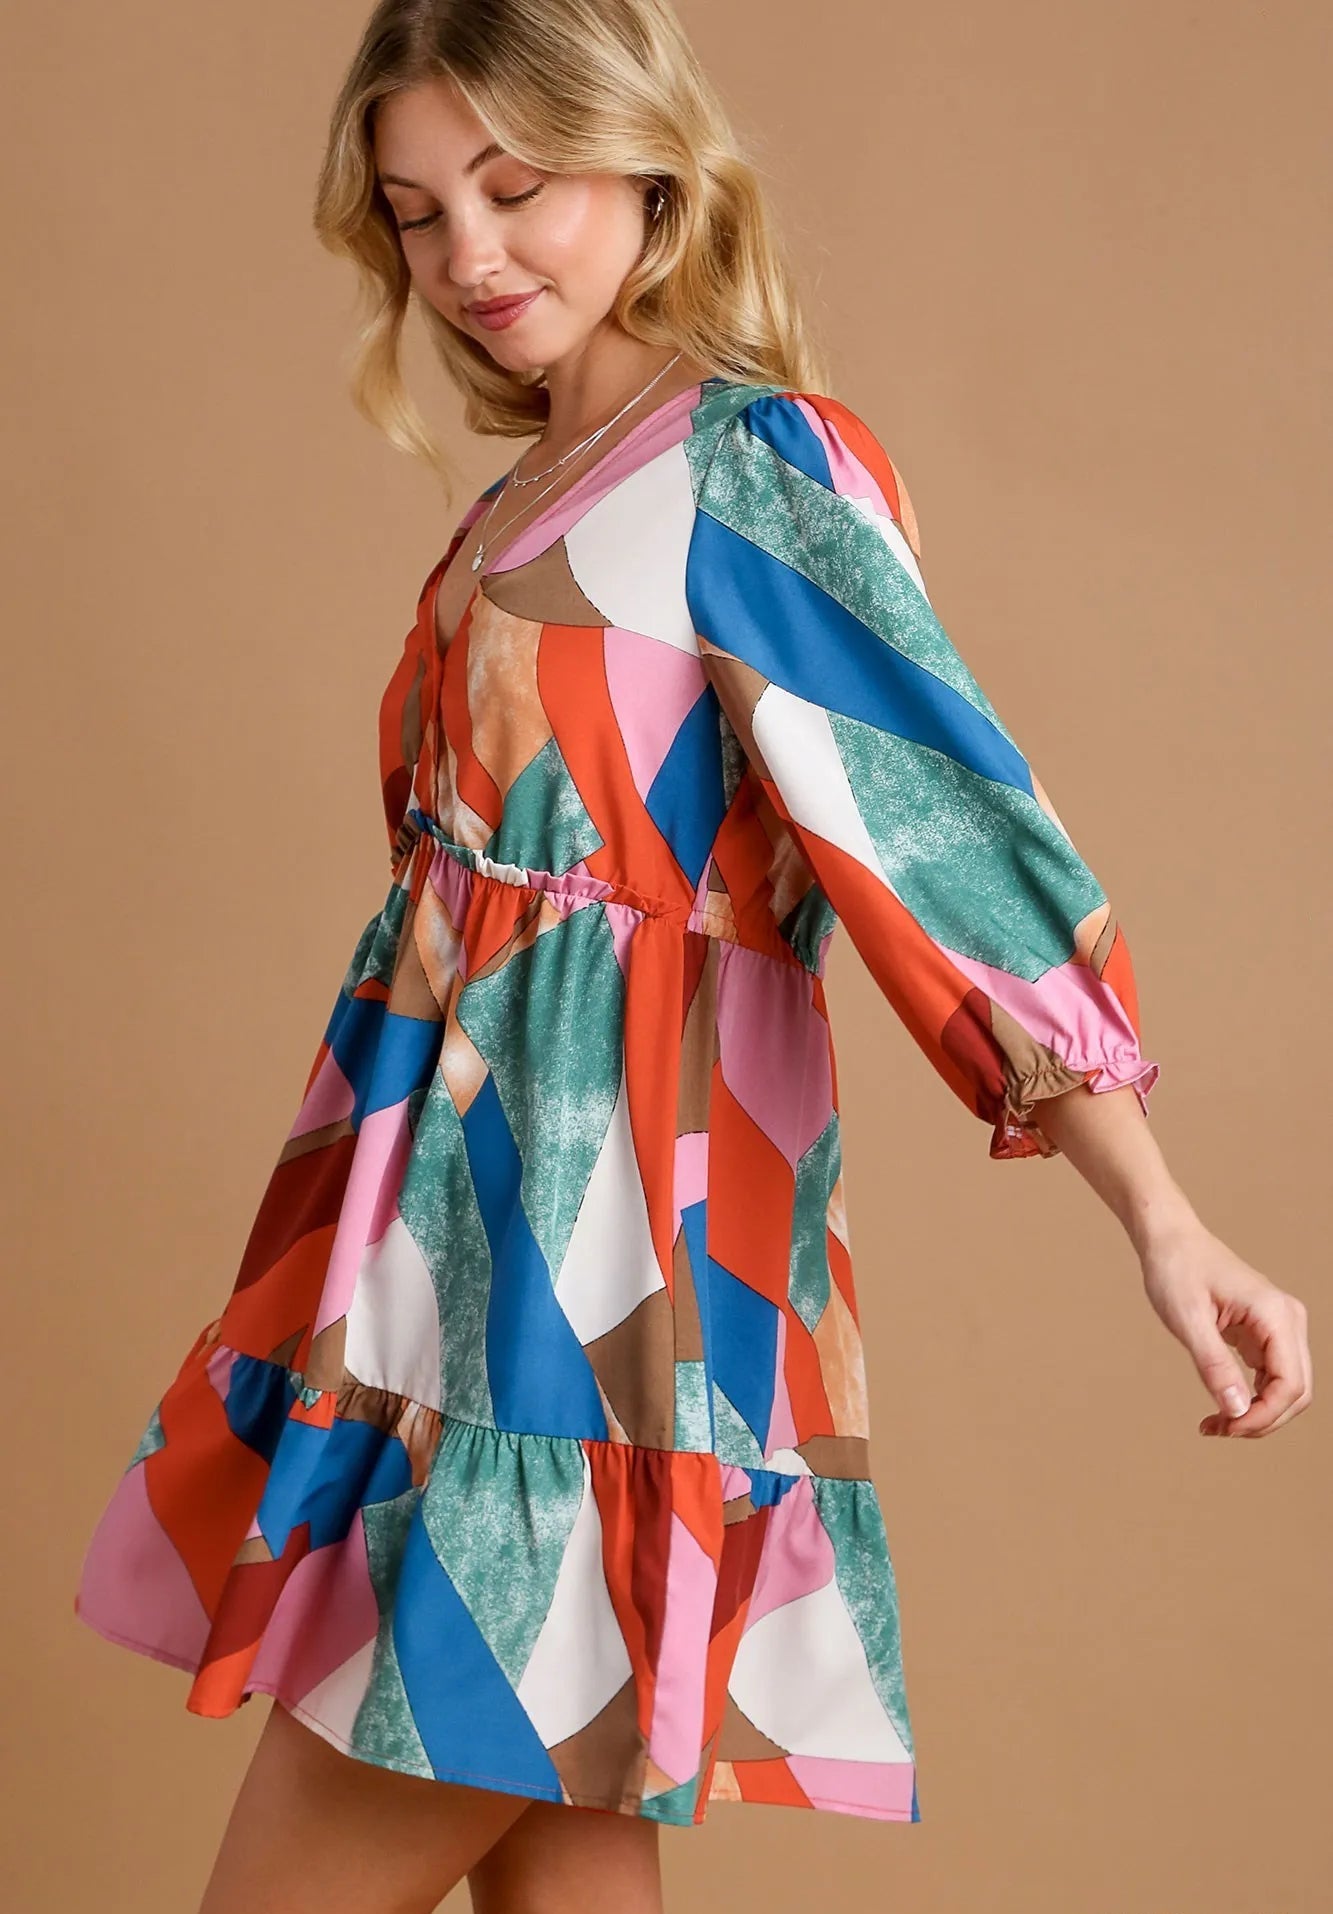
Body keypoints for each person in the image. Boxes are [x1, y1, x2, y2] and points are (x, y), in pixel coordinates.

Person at [72, 3, 1313, 1911]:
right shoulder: (533, 488)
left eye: (516, 187)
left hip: (587, 1294)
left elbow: (936, 831)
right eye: (415, 211)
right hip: (459, 1268)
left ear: (649, 165)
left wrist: (1160, 1214)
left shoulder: (752, 462)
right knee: (566, 1874)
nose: (467, 254)